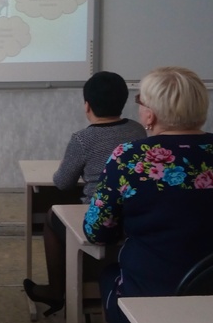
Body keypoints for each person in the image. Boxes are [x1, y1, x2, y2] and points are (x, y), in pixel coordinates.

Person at [83, 67, 213, 323]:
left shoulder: (129, 155)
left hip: (155, 294)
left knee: (109, 274)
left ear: (150, 114)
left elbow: (97, 231)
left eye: (140, 101)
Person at [24, 71, 146, 315]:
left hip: (101, 218)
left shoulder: (83, 138)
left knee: (51, 217)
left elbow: (62, 183)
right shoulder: (137, 130)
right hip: (134, 215)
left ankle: (56, 291)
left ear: (87, 105)